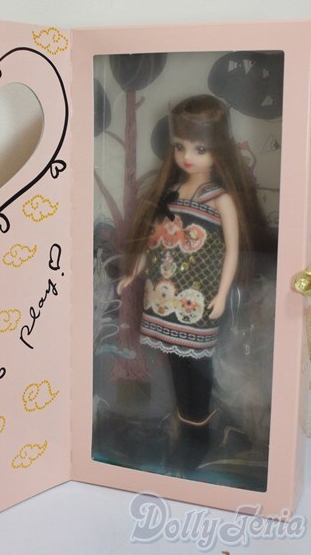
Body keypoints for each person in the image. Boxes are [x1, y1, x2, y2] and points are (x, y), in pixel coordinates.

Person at [117, 94, 267, 474]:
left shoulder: (219, 199)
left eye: (200, 149)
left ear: (218, 150)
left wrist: (222, 295)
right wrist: (134, 271)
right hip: (161, 298)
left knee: (197, 368)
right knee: (176, 367)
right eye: (180, 146)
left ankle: (197, 435)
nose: (187, 156)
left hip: (196, 302)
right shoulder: (171, 192)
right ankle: (188, 429)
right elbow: (153, 240)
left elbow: (233, 251)